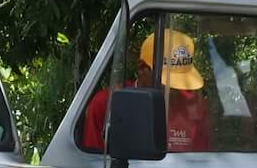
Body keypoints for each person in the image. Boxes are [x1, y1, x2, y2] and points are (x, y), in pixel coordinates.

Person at [80, 28, 212, 153]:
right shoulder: (106, 104)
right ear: (142, 68)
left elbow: (200, 164)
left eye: (179, 82)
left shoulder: (194, 106)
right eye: (166, 82)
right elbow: (94, 165)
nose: (173, 90)